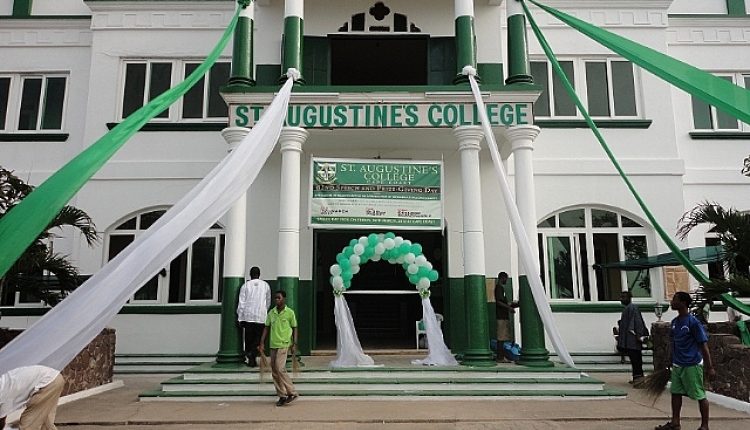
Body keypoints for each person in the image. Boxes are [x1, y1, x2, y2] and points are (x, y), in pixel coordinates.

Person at [656, 291, 715, 430]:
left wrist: (710, 367)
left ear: (683, 303)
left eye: (675, 299)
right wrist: (670, 360)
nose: (672, 302)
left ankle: (704, 425)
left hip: (692, 364)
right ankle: (675, 422)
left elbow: (703, 345)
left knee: (699, 395)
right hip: (678, 364)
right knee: (675, 393)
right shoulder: (675, 322)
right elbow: (673, 343)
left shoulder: (692, 322)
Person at [259, 290, 299, 407]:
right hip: (273, 345)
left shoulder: (290, 313)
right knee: (275, 371)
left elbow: (295, 327)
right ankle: (281, 395)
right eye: (275, 298)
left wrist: (294, 343)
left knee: (280, 368)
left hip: (284, 344)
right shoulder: (271, 313)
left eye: (279, 298)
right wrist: (262, 342)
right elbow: (266, 328)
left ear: (284, 299)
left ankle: (292, 392)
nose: (277, 300)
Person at [0, 365, 65, 430]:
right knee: (45, 422)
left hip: (48, 383)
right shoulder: (4, 380)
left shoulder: (3, 393)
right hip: (55, 378)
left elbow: (1, 419)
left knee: (29, 425)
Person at [237, 266, 271, 367]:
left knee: (249, 338)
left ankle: (250, 356)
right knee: (258, 339)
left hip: (248, 317)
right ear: (259, 274)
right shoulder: (265, 285)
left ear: (250, 274)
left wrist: (240, 317)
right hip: (261, 317)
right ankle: (253, 353)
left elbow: (241, 303)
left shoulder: (245, 286)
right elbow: (268, 301)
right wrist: (264, 311)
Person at [617, 291, 649, 383]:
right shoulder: (627, 309)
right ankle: (636, 377)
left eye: (623, 297)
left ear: (629, 298)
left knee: (636, 360)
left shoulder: (633, 308)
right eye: (621, 297)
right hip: (629, 340)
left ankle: (639, 379)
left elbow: (637, 322)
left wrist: (639, 335)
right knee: (634, 359)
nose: (621, 299)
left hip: (633, 339)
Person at [494, 272, 518, 362]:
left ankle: (501, 356)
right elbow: (499, 302)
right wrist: (509, 308)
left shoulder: (501, 288)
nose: (506, 280)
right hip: (501, 316)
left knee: (503, 337)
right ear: (502, 278)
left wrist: (511, 304)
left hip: (503, 315)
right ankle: (500, 357)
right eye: (506, 278)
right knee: (501, 337)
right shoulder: (499, 288)